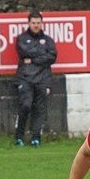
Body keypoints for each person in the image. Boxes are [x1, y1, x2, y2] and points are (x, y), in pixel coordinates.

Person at [14, 10, 57, 147]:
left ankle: (36, 138)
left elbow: (52, 57)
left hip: (43, 79)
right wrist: (41, 55)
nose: (36, 25)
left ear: (41, 23)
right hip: (25, 78)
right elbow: (23, 51)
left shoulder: (48, 40)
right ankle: (19, 137)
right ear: (29, 23)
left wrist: (32, 59)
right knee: (26, 106)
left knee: (39, 108)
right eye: (33, 23)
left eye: (38, 23)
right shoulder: (21, 38)